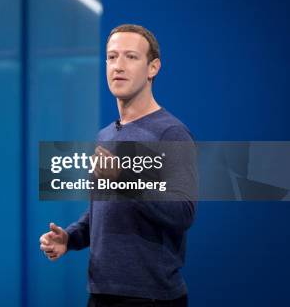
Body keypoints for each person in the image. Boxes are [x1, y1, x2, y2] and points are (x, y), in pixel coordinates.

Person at [39, 24, 197, 307]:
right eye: (112, 57)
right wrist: (70, 238)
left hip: (150, 298)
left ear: (153, 68)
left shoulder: (171, 133)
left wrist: (124, 178)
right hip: (100, 293)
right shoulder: (106, 135)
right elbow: (102, 209)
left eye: (131, 57)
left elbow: (183, 214)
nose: (118, 66)